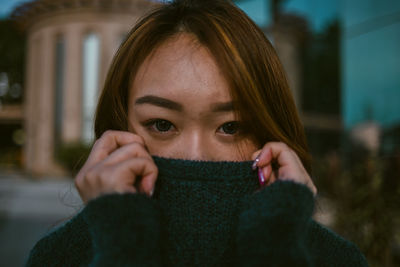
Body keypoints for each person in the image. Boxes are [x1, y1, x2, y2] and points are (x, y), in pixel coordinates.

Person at [26, 0, 368, 266]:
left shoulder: (335, 261)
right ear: (118, 129)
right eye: (162, 125)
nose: (195, 157)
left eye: (231, 127)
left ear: (270, 136)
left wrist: (278, 247)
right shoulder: (59, 258)